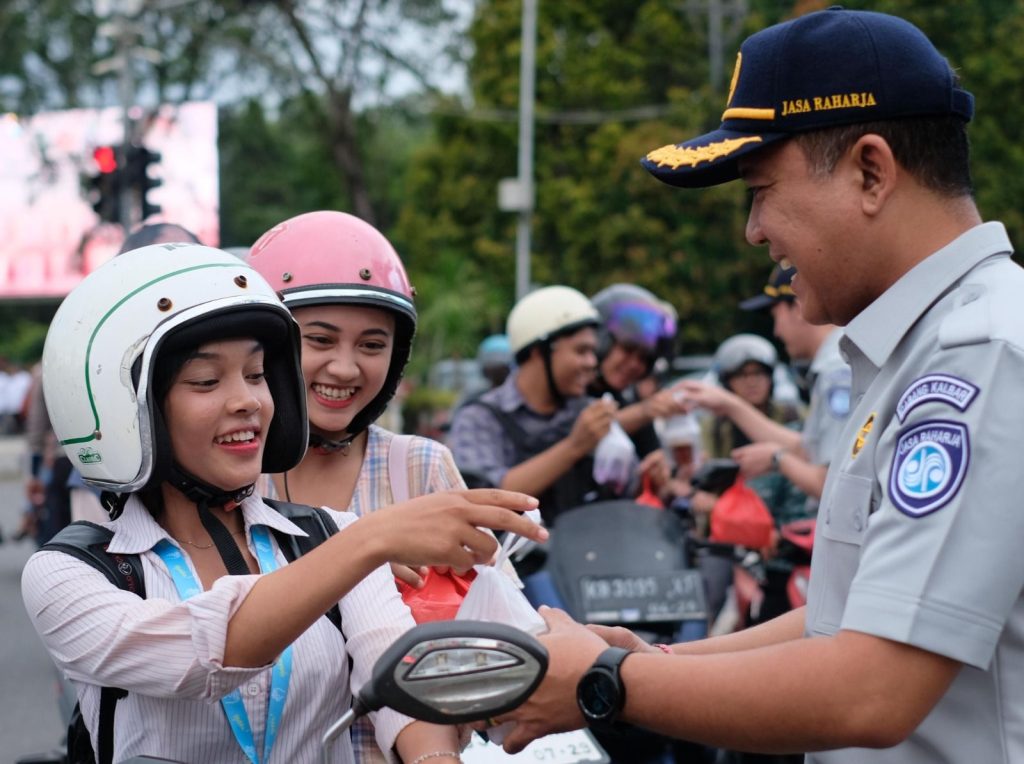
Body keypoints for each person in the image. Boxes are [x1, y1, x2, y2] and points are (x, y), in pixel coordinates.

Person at [493, 9, 1022, 763]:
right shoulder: (917, 351)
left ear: (871, 172)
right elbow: (848, 614)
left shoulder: (981, 357)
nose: (754, 230)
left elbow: (873, 688)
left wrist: (607, 682)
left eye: (762, 189)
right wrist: (649, 661)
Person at [22, 243, 545, 763]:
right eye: (206, 381)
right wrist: (375, 537)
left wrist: (434, 757)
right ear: (127, 412)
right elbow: (202, 658)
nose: (249, 400)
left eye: (256, 375)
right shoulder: (72, 574)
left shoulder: (330, 535)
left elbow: (399, 682)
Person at [248, 210, 515, 763]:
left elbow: (503, 631)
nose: (345, 369)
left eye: (372, 345)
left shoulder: (419, 466)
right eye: (319, 339)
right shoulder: (233, 474)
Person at [682, 265, 850, 508]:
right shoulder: (837, 364)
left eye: (775, 316)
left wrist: (777, 459)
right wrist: (730, 405)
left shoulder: (836, 373)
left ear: (797, 307)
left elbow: (833, 485)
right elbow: (808, 448)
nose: (776, 331)